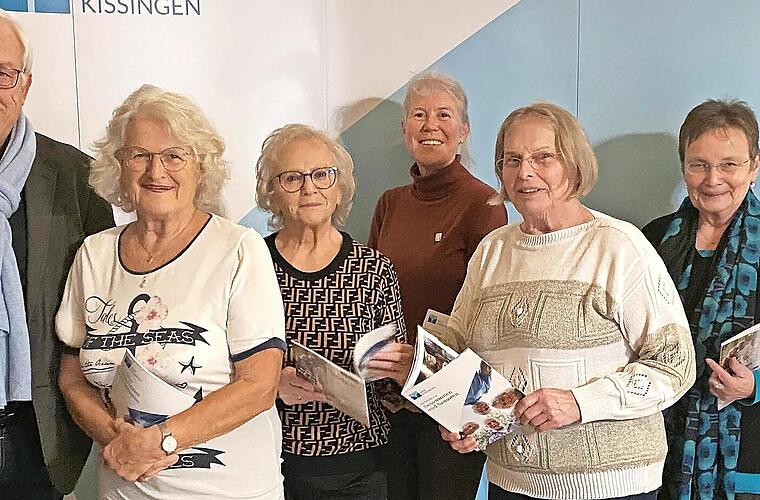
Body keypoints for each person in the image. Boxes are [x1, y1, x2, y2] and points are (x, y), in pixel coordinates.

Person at [440, 102, 696, 500]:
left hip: (611, 486)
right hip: (512, 483)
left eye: (543, 157)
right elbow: (457, 347)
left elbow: (675, 366)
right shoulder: (492, 250)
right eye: (512, 160)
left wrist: (581, 403)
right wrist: (459, 411)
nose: (525, 172)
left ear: (574, 165)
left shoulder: (619, 246)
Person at [55, 85, 286, 499]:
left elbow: (260, 384)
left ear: (201, 167)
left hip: (226, 490)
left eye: (174, 156)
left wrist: (160, 440)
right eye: (139, 155)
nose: (156, 172)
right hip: (125, 487)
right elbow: (72, 377)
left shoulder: (238, 249)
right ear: (119, 166)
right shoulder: (94, 253)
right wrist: (117, 439)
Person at [368, 70, 507, 500]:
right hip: (390, 398)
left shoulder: (484, 204)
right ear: (405, 129)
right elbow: (369, 295)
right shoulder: (390, 203)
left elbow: (488, 314)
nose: (431, 125)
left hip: (450, 399)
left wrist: (431, 379)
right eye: (419, 115)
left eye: (444, 114)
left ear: (464, 129)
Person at [255, 123, 410, 500]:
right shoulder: (251, 264)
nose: (310, 188)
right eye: (292, 178)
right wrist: (271, 385)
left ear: (340, 188)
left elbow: (391, 389)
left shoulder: (374, 269)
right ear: (272, 193)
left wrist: (404, 372)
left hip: (359, 465)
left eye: (322, 175)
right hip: (268, 459)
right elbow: (219, 365)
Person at [0, 10, 114, 499]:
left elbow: (105, 304)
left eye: (3, 73)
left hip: (37, 435)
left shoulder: (77, 178)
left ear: (25, 84)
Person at [643, 99, 760, 500]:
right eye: (699, 165)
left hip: (743, 459)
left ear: (754, 167)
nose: (713, 179)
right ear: (683, 167)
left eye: (729, 164)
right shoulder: (653, 239)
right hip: (655, 447)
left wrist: (753, 386)